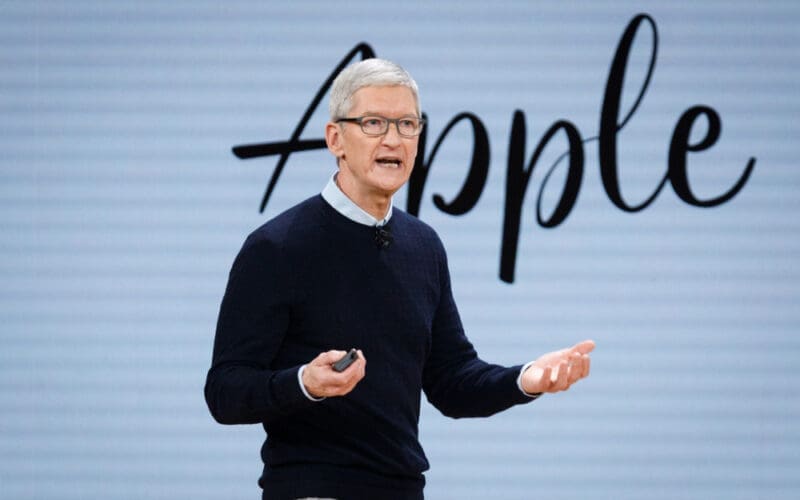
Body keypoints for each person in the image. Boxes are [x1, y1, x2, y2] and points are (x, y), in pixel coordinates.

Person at [204, 58, 595, 500]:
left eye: (407, 124)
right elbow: (225, 391)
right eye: (373, 123)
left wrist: (525, 380)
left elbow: (451, 382)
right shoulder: (277, 247)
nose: (393, 138)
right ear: (336, 139)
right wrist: (304, 384)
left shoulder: (424, 245)